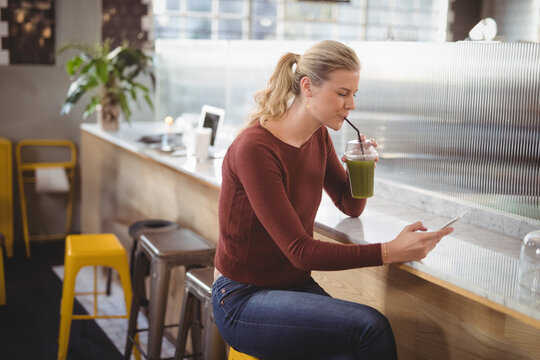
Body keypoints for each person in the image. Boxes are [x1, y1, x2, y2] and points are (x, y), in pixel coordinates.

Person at [212, 40, 453, 360]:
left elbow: (349, 204)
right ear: (308, 87)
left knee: (351, 350)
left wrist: (361, 165)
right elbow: (300, 252)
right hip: (243, 298)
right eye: (342, 93)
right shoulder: (256, 149)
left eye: (354, 94)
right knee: (371, 328)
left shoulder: (318, 137)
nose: (351, 104)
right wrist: (389, 251)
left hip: (291, 288)